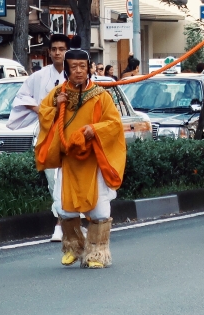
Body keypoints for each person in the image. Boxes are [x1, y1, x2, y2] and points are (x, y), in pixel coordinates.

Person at [35, 48, 127, 268]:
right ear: (67, 69)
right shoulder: (58, 94)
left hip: (92, 161)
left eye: (82, 67)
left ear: (89, 69)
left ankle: (97, 253)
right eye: (73, 67)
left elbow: (114, 125)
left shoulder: (101, 96)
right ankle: (73, 247)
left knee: (99, 209)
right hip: (69, 161)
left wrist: (93, 130)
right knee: (64, 208)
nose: (78, 71)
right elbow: (43, 114)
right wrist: (57, 107)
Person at [9, 33, 70, 242]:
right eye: (54, 49)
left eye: (61, 49)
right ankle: (63, 221)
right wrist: (44, 110)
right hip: (48, 134)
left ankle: (63, 224)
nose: (57, 53)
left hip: (73, 136)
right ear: (49, 52)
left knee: (71, 179)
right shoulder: (40, 76)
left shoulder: (78, 74)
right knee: (54, 181)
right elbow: (22, 97)